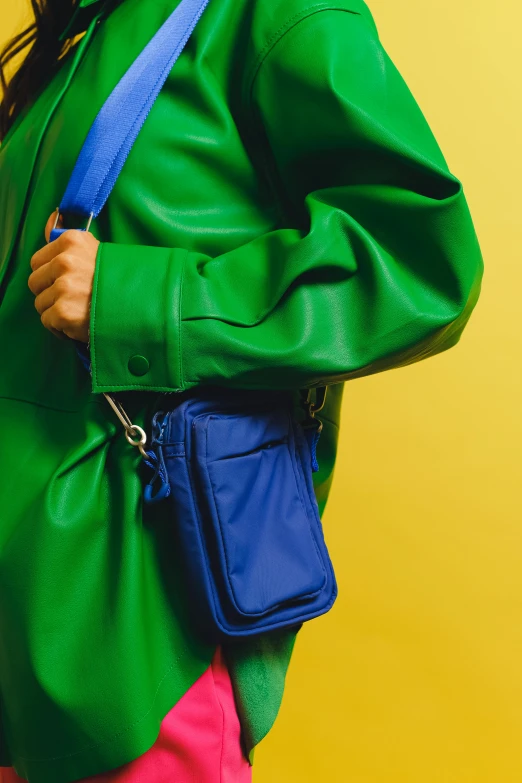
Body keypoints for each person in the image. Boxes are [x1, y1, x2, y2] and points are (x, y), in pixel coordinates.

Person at [0, 0, 483, 781]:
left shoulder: (270, 12)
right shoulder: (82, 36)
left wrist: (135, 299)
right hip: (24, 647)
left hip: (136, 641)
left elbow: (421, 262)